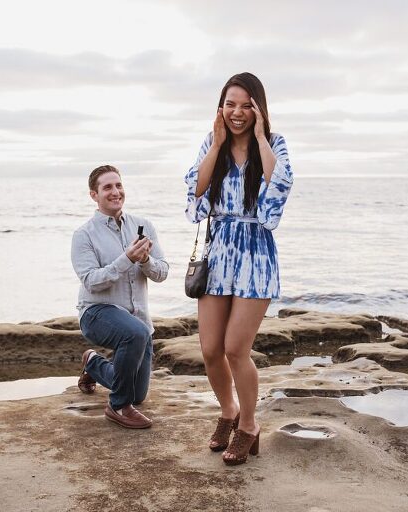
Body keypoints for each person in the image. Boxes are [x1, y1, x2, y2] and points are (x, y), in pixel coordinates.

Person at [184, 72, 293, 464]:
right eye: (230, 104)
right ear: (220, 108)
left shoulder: (275, 145)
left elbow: (277, 190)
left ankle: (249, 425)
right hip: (218, 255)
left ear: (259, 110)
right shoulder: (213, 145)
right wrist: (215, 144)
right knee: (211, 348)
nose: (237, 112)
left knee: (235, 348)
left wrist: (262, 138)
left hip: (255, 256)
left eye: (247, 105)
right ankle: (228, 411)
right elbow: (194, 194)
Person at [72, 165, 169, 429]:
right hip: (96, 312)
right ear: (94, 195)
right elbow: (91, 281)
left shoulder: (143, 225)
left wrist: (145, 259)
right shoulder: (84, 235)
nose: (115, 192)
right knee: (135, 334)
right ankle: (117, 407)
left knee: (137, 394)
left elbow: (162, 273)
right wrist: (126, 259)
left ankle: (92, 362)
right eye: (107, 187)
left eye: (118, 185)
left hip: (137, 320)